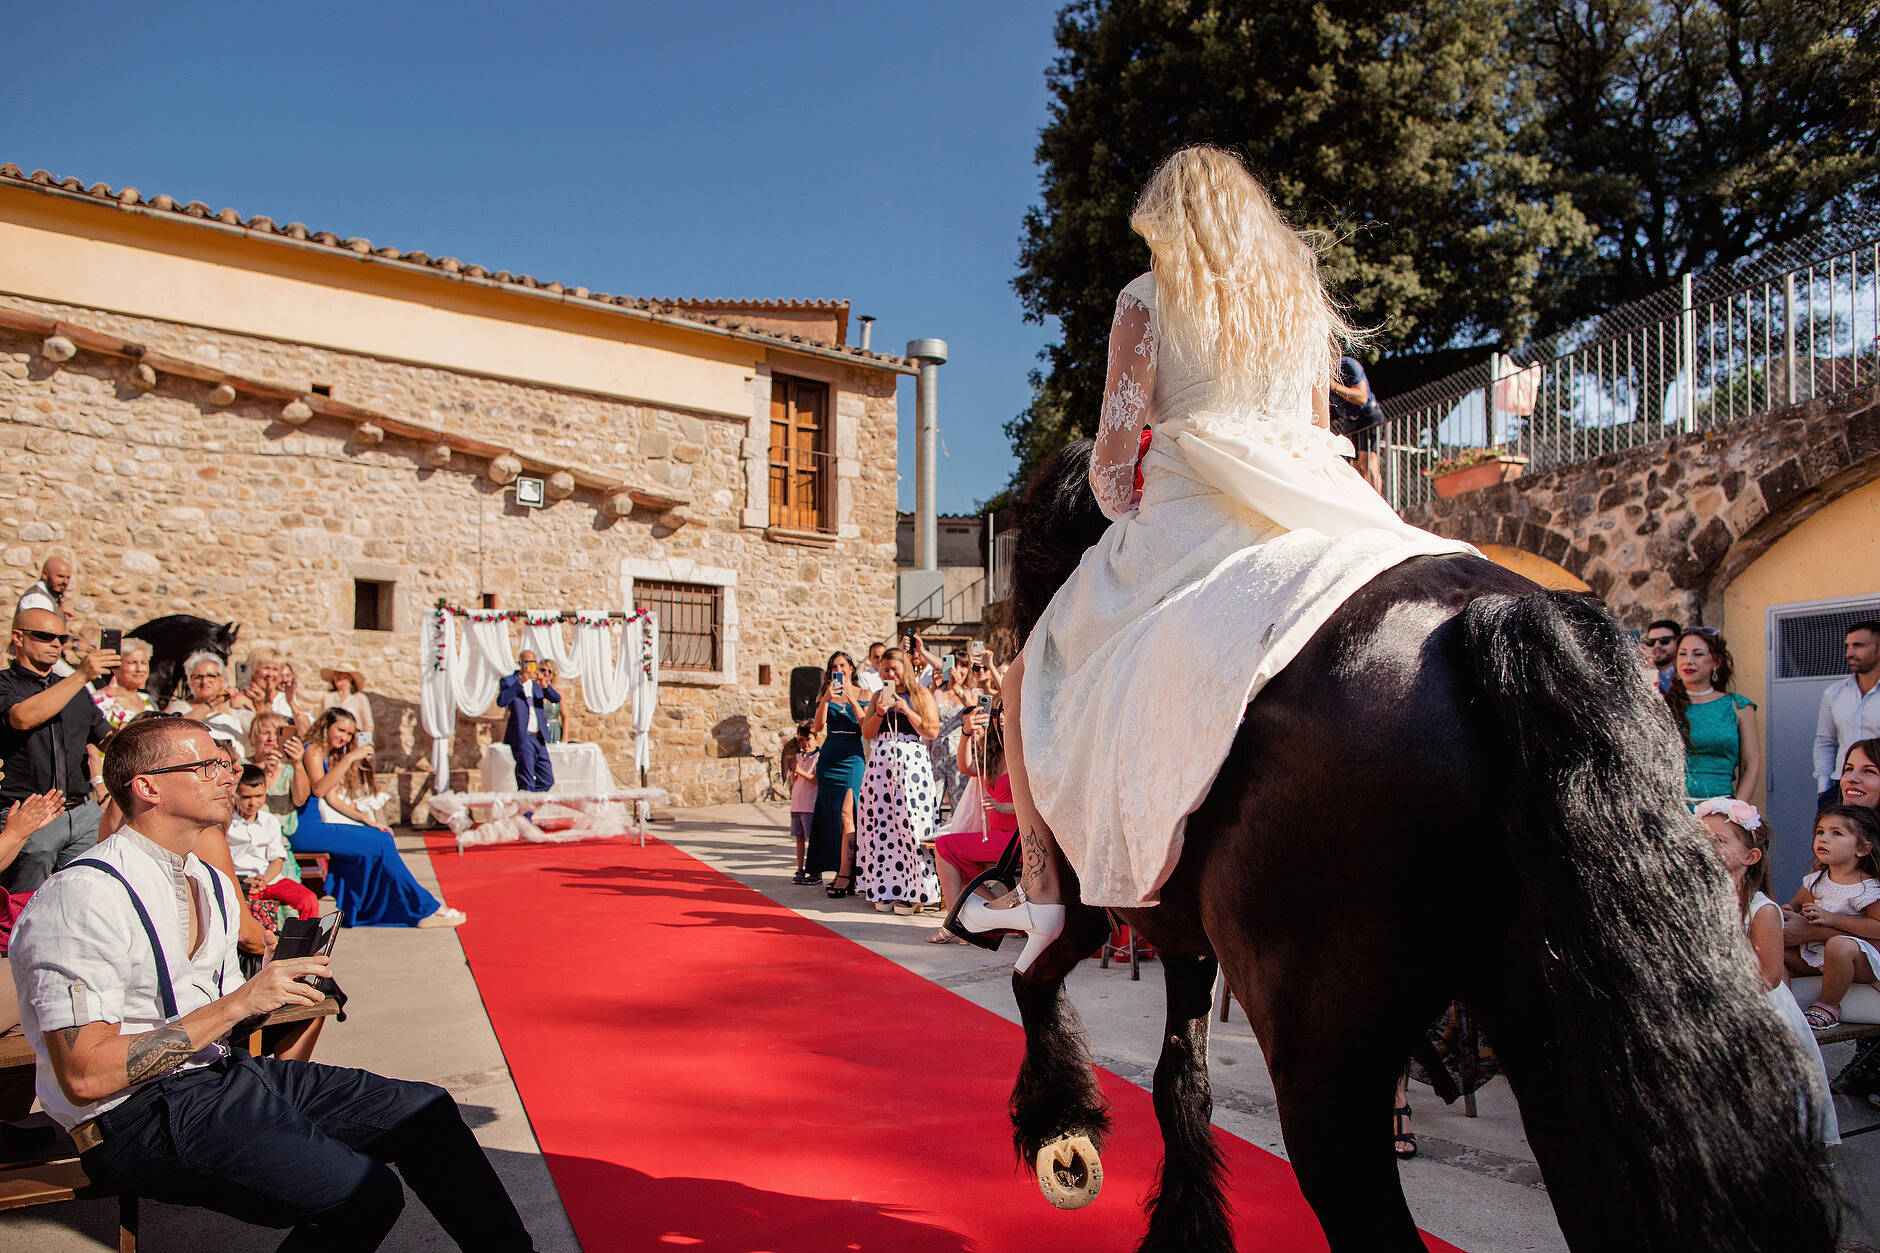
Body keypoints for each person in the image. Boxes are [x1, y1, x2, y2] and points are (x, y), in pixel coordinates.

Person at [951, 146, 1468, 965]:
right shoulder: (1298, 308)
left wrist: (1132, 499)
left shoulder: (1146, 297)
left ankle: (1041, 890)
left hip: (1190, 514)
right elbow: (1313, 431)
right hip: (1309, 504)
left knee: (1024, 679)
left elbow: (1111, 469)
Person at [7, 716, 536, 1250]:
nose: (227, 775)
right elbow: (86, 1075)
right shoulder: (82, 897)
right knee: (363, 1194)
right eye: (206, 766)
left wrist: (278, 988)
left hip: (218, 1075)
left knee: (425, 1113)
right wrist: (239, 1004)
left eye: (224, 763)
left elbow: (213, 1012)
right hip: (132, 1115)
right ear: (147, 787)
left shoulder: (207, 880)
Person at [1698, 797, 1838, 1143]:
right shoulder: (1695, 901)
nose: (1705, 846)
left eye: (1719, 840)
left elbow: (1770, 975)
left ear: (1751, 856)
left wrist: (1723, 994)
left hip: (1754, 1004)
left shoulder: (1761, 910)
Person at [295, 708, 466, 928]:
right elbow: (319, 790)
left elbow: (333, 798)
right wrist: (349, 758)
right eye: (340, 730)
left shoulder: (325, 753)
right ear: (326, 726)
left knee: (379, 836)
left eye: (349, 734)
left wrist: (367, 820)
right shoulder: (313, 750)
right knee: (380, 843)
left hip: (315, 826)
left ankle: (372, 909)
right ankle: (425, 907)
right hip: (304, 829)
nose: (345, 738)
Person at [0, 608, 118, 892]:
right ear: (18, 637)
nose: (56, 644)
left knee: (82, 896)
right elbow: (23, 717)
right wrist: (81, 675)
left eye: (61, 638)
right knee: (23, 903)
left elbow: (105, 739)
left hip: (82, 813)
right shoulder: (5, 683)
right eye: (45, 636)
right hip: (28, 814)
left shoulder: (74, 688)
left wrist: (140, 730)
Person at [855, 647, 941, 914]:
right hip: (881, 767)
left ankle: (916, 891)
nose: (889, 673)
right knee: (882, 826)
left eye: (894, 668)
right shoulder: (878, 696)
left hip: (911, 766)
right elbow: (867, 732)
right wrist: (880, 712)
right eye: (885, 669)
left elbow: (932, 731)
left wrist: (906, 710)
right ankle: (885, 886)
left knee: (910, 825)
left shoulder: (921, 694)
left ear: (905, 667)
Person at [1784, 804, 1880, 1031]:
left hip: (1857, 961)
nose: (1824, 839)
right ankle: (1783, 1005)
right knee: (1772, 947)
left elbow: (1877, 926)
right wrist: (1788, 911)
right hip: (1815, 954)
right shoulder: (1815, 879)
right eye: (1820, 832)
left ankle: (1828, 1005)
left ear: (1862, 848)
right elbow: (1796, 904)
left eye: (1836, 833)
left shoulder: (1867, 888)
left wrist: (1833, 919)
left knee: (1839, 946)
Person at [929, 703, 1016, 944]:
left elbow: (1037, 804)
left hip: (1017, 839)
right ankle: (1003, 913)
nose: (1002, 717)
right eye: (998, 713)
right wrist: (966, 733)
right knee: (951, 858)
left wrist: (1005, 808)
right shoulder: (995, 754)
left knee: (945, 847)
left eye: (1006, 711)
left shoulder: (1023, 753)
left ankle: (953, 923)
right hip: (997, 836)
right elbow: (965, 767)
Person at [1666, 628, 1762, 803]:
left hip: (1722, 810)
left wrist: (1736, 811)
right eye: (1682, 654)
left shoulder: (1739, 707)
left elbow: (1750, 765)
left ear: (1716, 662)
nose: (1688, 661)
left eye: (1698, 654)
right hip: (1673, 810)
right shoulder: (1663, 707)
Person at [229, 765, 321, 923]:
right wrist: (242, 881)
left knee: (309, 900)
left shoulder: (270, 821)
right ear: (235, 795)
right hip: (237, 882)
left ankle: (306, 938)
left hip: (268, 879)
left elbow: (277, 859)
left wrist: (264, 881)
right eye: (246, 797)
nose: (253, 802)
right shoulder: (226, 823)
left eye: (259, 796)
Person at [808, 652, 866, 896]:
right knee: (832, 817)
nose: (839, 669)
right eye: (834, 666)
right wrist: (825, 700)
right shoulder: (826, 694)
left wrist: (852, 699)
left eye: (843, 665)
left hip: (853, 759)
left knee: (848, 814)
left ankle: (846, 873)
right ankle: (839, 869)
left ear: (851, 668)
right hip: (829, 759)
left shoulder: (865, 694)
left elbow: (866, 727)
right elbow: (818, 727)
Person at [1814, 622, 1880, 812]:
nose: (1849, 653)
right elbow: (1825, 741)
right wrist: (1824, 788)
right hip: (1840, 788)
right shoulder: (1834, 693)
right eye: (1848, 646)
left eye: (1858, 645)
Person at [169, 651, 255, 758]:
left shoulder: (236, 715)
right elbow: (179, 729)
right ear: (190, 681)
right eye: (198, 677)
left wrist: (262, 706)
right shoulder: (181, 708)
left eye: (211, 676)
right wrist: (214, 702)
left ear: (222, 679)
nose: (204, 681)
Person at [496, 650, 560, 793]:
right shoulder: (509, 681)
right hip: (522, 736)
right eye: (527, 662)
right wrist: (520, 682)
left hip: (539, 738)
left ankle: (527, 802)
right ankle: (526, 806)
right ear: (520, 663)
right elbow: (501, 701)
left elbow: (556, 699)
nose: (530, 665)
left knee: (547, 780)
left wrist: (545, 686)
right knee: (526, 780)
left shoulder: (537, 683)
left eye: (533, 662)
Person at [1328, 356, 1386, 493]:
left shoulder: (1348, 365)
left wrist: (1334, 386)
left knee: (1368, 463)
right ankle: (1364, 499)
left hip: (1368, 416)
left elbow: (1362, 398)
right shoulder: (1320, 374)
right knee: (1355, 468)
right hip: (1349, 421)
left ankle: (1376, 501)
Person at [785, 722, 820, 884]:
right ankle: (800, 868)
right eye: (801, 740)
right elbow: (795, 781)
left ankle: (815, 870)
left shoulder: (819, 757)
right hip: (797, 804)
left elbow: (816, 780)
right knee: (799, 839)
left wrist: (800, 771)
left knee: (812, 840)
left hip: (810, 805)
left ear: (815, 739)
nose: (805, 743)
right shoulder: (799, 757)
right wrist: (794, 771)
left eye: (808, 739)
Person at [92, 640, 156, 728]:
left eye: (143, 663)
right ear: (116, 667)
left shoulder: (147, 700)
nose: (139, 669)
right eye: (132, 662)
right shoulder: (101, 700)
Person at [319, 662, 373, 739]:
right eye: (336, 674)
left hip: (353, 740)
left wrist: (364, 742)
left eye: (341, 674)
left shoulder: (360, 698)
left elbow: (368, 725)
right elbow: (323, 722)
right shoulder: (327, 697)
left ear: (350, 678)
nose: (338, 676)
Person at [1643, 619, 1681, 695]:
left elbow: (1675, 695)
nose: (1656, 646)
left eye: (1664, 640)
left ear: (1678, 642)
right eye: (1651, 642)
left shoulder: (1685, 671)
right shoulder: (1642, 671)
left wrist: (1653, 671)